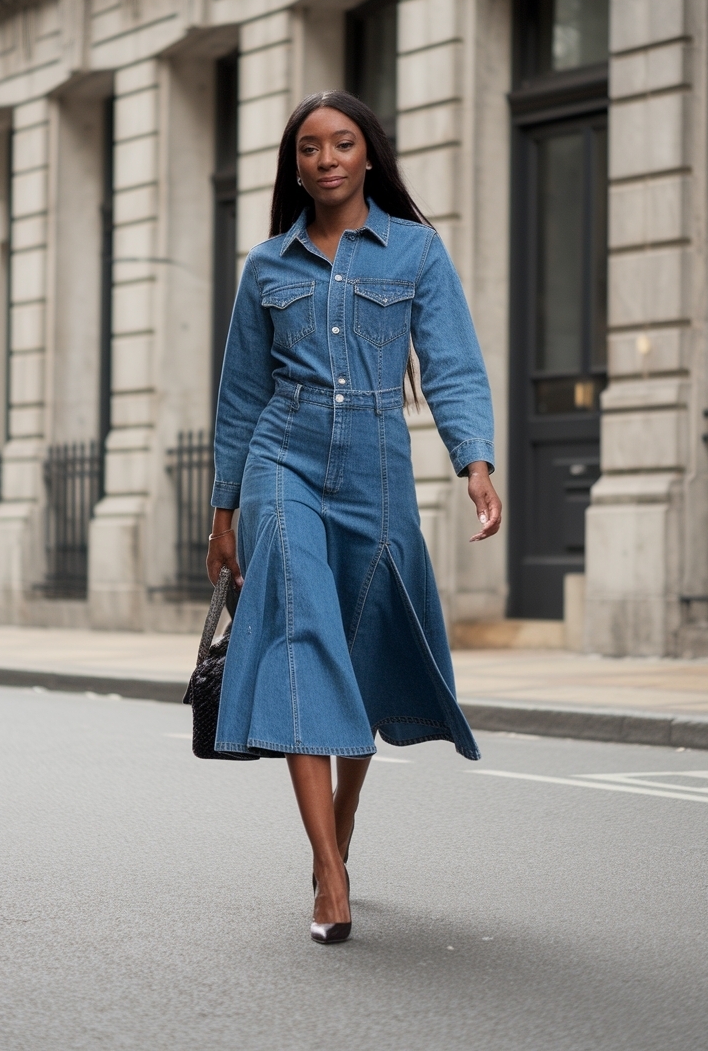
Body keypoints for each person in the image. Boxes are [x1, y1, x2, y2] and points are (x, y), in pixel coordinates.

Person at [206, 91, 501, 945]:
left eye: (342, 143)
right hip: (281, 461)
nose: (327, 158)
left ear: (368, 155)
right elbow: (239, 397)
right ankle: (328, 873)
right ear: (293, 164)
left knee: (362, 653)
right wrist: (223, 510)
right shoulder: (267, 266)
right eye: (309, 147)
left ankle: (340, 823)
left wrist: (473, 461)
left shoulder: (414, 252)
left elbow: (450, 363)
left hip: (377, 467)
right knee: (302, 638)